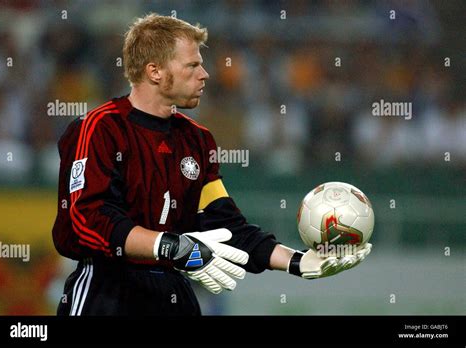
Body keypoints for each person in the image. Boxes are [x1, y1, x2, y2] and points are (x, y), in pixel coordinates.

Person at [52, 13, 372, 316]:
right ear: (155, 71)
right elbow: (87, 220)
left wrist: (297, 262)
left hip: (173, 295)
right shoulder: (99, 127)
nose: (204, 74)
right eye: (192, 66)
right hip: (107, 292)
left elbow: (225, 225)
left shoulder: (197, 140)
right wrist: (170, 246)